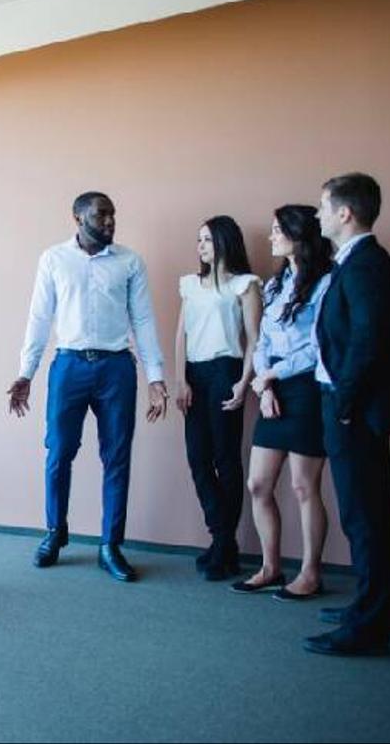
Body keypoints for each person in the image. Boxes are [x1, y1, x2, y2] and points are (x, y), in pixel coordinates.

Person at [7, 192, 168, 582]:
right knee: (58, 452)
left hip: (116, 368)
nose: (110, 221)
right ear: (78, 218)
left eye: (113, 215)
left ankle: (110, 545)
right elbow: (39, 317)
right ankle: (54, 532)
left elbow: (143, 320)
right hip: (69, 366)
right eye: (101, 215)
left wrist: (155, 377)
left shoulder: (130, 262)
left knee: (117, 456)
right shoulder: (53, 259)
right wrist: (26, 372)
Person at [303, 173, 390, 656]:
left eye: (323, 206)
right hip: (350, 405)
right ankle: (373, 608)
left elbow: (369, 342)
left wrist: (345, 402)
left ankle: (369, 627)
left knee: (366, 517)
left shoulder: (366, 264)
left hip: (354, 410)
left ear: (345, 213)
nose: (318, 215)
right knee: (369, 514)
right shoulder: (357, 261)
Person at [230, 205, 333, 601]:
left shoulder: (326, 281)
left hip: (307, 388)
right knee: (258, 484)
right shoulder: (275, 284)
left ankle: (310, 573)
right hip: (272, 387)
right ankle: (270, 567)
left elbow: (319, 346)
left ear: (298, 235)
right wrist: (265, 383)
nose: (271, 236)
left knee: (304, 486)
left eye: (277, 230)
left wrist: (274, 374)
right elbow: (261, 341)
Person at [175, 216, 262, 580]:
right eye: (199, 240)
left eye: (208, 240)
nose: (201, 246)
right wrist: (180, 379)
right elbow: (181, 335)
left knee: (226, 459)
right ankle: (224, 540)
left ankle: (222, 545)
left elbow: (254, 340)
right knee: (198, 458)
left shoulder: (244, 285)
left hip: (226, 370)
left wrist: (244, 382)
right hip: (195, 374)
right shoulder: (189, 285)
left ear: (226, 242)